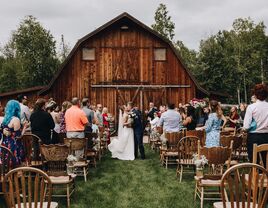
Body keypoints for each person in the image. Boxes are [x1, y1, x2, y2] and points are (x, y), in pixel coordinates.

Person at [243, 83, 268, 162]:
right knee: (266, 161)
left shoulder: (251, 107)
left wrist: (244, 129)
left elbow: (246, 126)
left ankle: (255, 174)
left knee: (254, 162)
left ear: (255, 94)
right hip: (267, 136)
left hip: (254, 137)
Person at [0, 100, 27, 165]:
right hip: (14, 145)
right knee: (16, 166)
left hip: (5, 145)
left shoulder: (5, 119)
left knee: (8, 166)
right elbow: (18, 137)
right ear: (17, 109)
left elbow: (5, 131)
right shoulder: (16, 119)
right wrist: (25, 127)